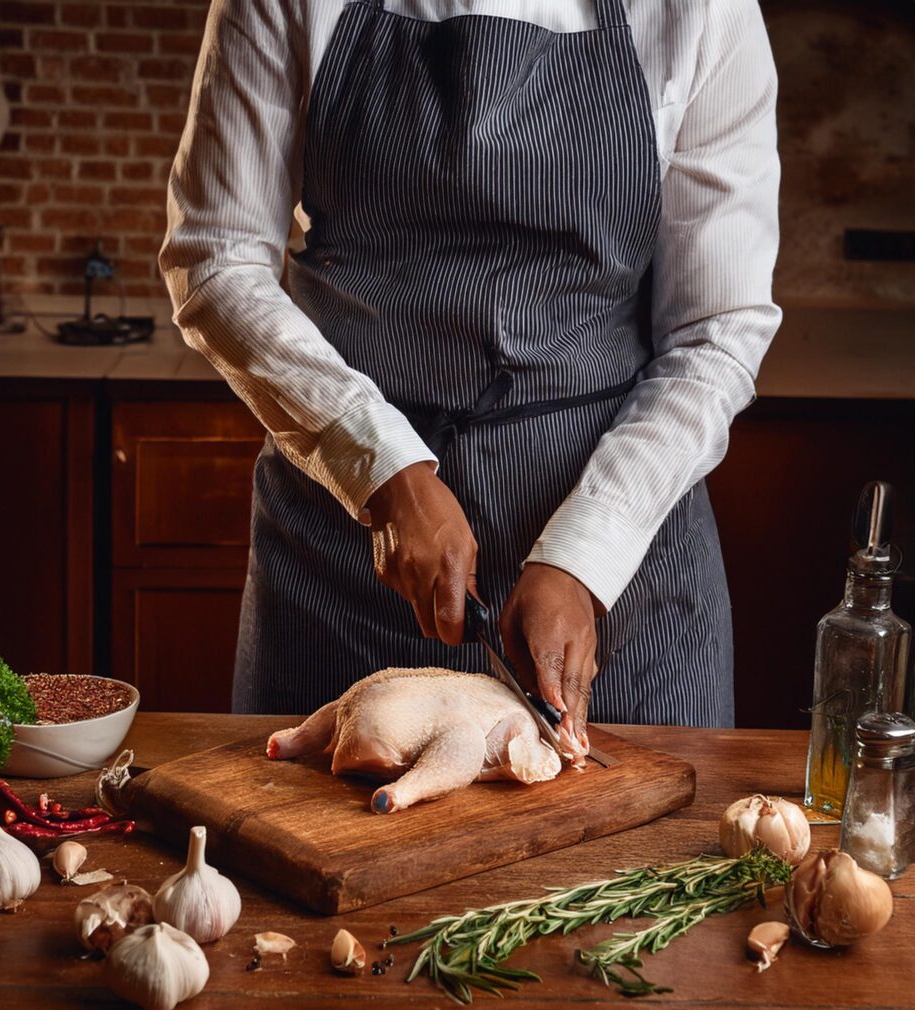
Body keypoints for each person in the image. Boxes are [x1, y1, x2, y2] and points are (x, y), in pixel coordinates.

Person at [158, 0, 781, 754]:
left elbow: (717, 332)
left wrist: (585, 554)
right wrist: (381, 466)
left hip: (623, 567)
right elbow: (216, 259)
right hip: (347, 557)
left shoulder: (703, 11)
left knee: (640, 860)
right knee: (312, 854)